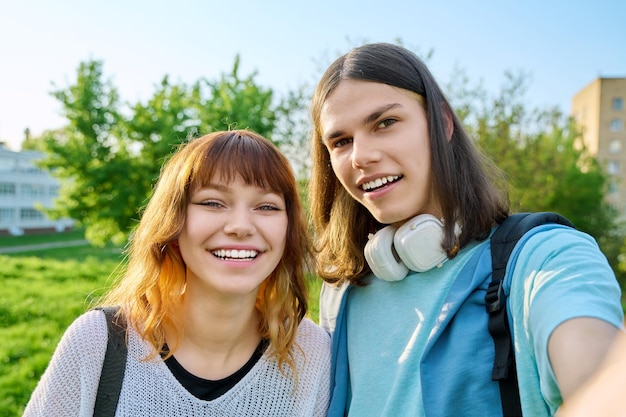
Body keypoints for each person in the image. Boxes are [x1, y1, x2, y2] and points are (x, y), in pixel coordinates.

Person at [307, 42, 624, 416]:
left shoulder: (544, 257)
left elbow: (599, 374)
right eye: (341, 141)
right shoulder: (342, 295)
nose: (361, 156)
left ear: (442, 123)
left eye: (385, 123)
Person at [24, 130, 331, 416]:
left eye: (266, 207)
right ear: (174, 223)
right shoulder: (98, 343)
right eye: (213, 202)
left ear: (289, 229)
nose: (240, 226)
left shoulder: (312, 352)